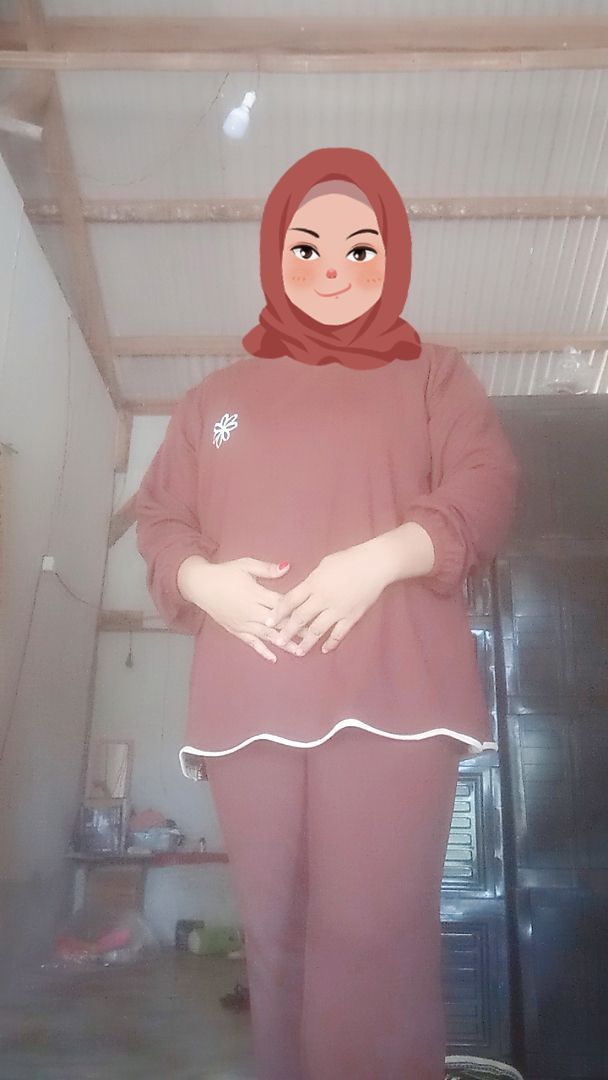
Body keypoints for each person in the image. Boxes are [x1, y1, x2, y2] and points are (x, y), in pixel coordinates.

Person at [135, 147, 519, 1080]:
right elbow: (161, 518)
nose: (334, 269)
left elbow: (486, 483)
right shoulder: (213, 402)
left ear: (395, 254)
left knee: (374, 938)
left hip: (391, 695)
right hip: (249, 704)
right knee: (274, 942)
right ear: (275, 256)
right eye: (307, 248)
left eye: (361, 247)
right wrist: (203, 581)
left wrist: (377, 560)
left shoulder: (433, 376)